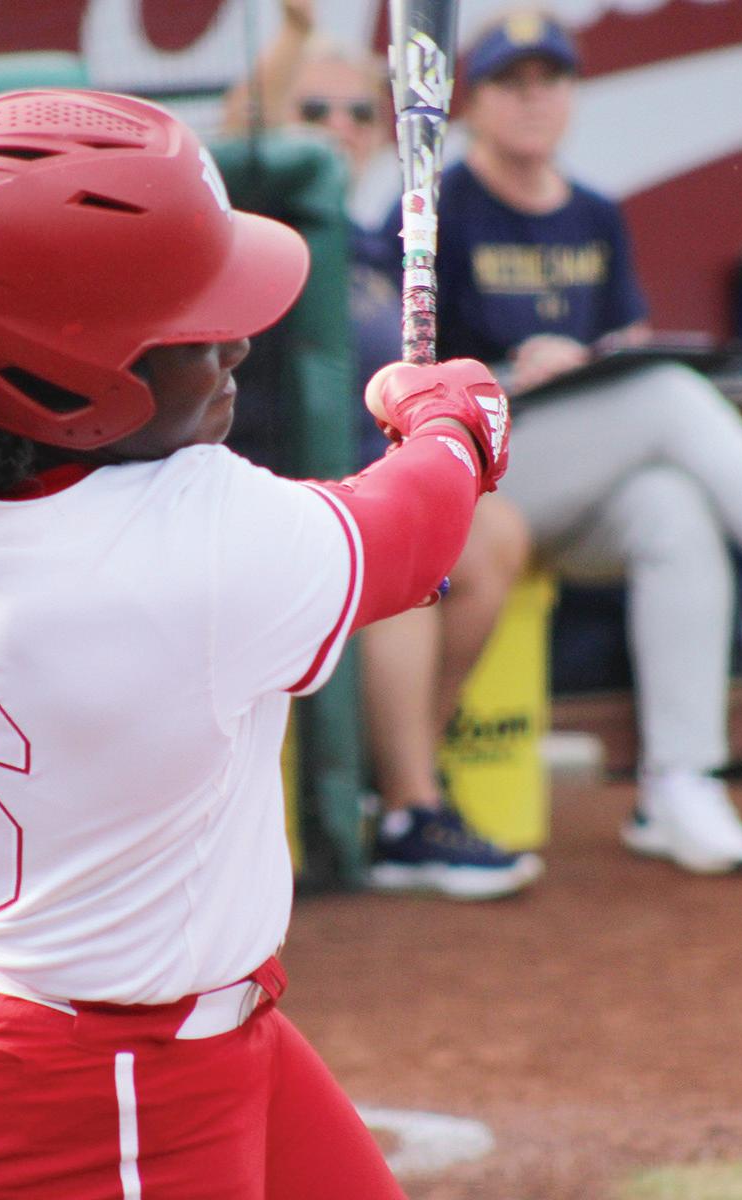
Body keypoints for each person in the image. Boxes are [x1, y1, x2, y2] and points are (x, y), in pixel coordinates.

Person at [0, 88, 510, 1198]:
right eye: (185, 331)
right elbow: (414, 530)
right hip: (100, 1098)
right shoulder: (190, 554)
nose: (234, 344)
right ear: (64, 372)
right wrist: (452, 421)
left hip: (114, 1035)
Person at [365, 10, 742, 875]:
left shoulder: (594, 212)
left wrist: (592, 362)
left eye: (550, 80)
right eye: (510, 82)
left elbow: (623, 339)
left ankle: (680, 784)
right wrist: (506, 373)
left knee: (669, 507)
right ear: (471, 103)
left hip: (569, 475)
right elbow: (394, 366)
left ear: (573, 96)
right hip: (473, 471)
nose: (534, 99)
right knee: (671, 400)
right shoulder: (438, 201)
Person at [223, 0, 542, 900]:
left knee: (493, 535)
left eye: (359, 111)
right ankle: (408, 807)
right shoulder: (252, 226)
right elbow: (234, 140)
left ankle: (395, 784)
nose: (338, 127)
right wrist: (292, 36)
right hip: (264, 492)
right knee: (404, 558)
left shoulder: (369, 247)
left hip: (355, 489)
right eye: (313, 109)